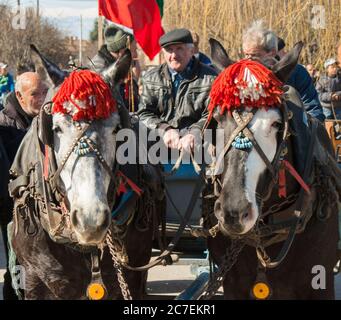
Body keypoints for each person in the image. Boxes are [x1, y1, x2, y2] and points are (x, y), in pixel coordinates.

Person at [0, 72, 47, 300]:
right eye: (35, 94)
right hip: (13, 211)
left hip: (45, 208)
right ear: (19, 95)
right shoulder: (4, 126)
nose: (42, 98)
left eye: (45, 92)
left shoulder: (48, 120)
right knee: (17, 267)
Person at [137, 28, 217, 153]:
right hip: (159, 145)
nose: (174, 56)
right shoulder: (151, 78)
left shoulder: (211, 78)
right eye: (169, 50)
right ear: (163, 53)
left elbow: (213, 113)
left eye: (179, 48)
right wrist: (165, 129)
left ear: (191, 51)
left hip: (199, 146)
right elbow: (144, 113)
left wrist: (195, 132)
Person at [242, 21, 325, 122]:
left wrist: (298, 130)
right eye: (246, 55)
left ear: (271, 53)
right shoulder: (239, 76)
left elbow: (313, 110)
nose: (248, 60)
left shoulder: (297, 72)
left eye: (254, 55)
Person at [90, 25, 140, 111]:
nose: (136, 55)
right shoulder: (98, 69)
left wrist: (134, 79)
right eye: (134, 50)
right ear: (123, 52)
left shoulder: (121, 65)